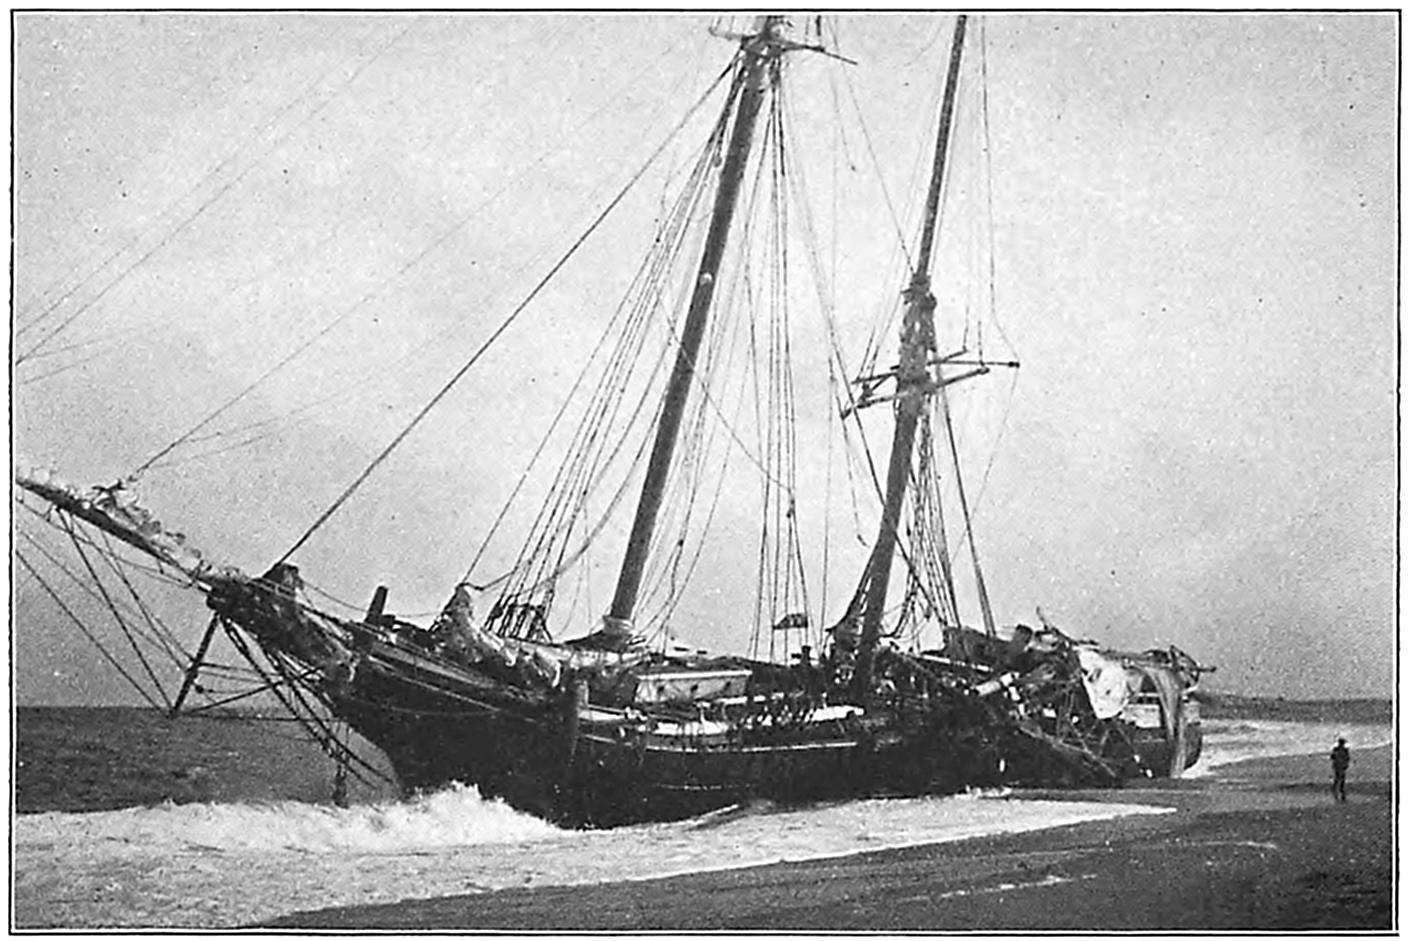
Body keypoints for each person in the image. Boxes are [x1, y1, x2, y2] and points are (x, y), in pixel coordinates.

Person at [1330, 737, 1351, 802]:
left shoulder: (1336, 749)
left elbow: (1332, 757)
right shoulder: (1345, 750)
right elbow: (1347, 758)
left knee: (1337, 778)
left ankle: (1336, 790)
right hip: (1341, 766)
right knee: (1341, 779)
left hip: (1337, 765)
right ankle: (1341, 792)